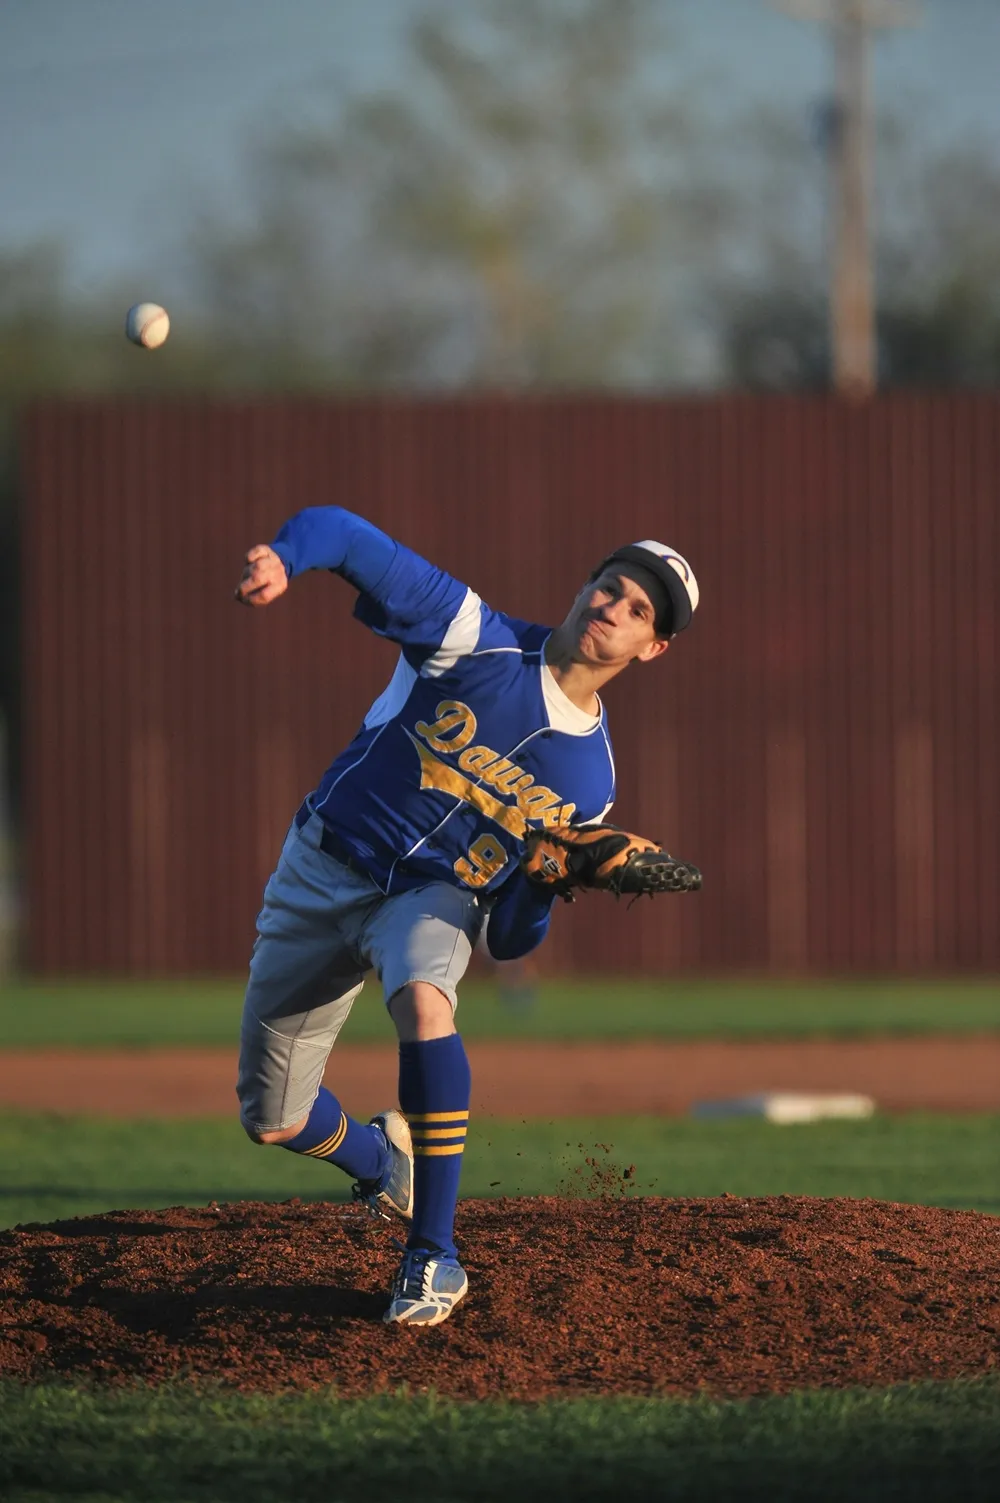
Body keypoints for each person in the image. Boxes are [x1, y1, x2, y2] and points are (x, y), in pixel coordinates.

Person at [234, 507, 698, 1327]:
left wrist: (549, 881)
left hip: (427, 895)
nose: (612, 608)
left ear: (651, 648)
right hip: (322, 866)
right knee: (274, 1120)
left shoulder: (589, 784)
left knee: (425, 1001)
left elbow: (509, 936)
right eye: (610, 586)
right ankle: (382, 1160)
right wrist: (287, 556)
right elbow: (349, 537)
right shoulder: (472, 635)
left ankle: (433, 1255)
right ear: (585, 583)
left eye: (637, 611)